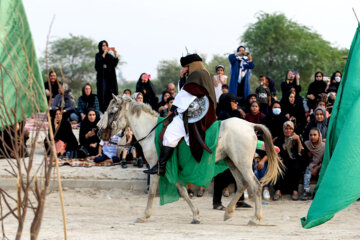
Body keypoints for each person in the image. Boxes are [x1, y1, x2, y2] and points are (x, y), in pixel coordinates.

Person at [144, 53, 217, 176]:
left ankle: (160, 167)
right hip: (200, 110)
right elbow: (186, 90)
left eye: (187, 67)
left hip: (196, 114)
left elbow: (185, 94)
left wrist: (173, 109)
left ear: (191, 65)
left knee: (170, 134)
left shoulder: (197, 74)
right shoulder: (204, 74)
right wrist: (182, 78)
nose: (185, 69)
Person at [213, 93, 252, 209]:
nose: (237, 103)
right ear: (227, 102)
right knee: (222, 176)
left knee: (239, 174)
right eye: (234, 101)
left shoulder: (235, 114)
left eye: (237, 101)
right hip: (224, 150)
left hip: (234, 149)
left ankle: (239, 200)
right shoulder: (223, 115)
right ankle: (216, 203)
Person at [273, 121, 304, 201]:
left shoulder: (296, 137)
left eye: (290, 128)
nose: (288, 130)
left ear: (293, 129)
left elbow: (300, 152)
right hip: (283, 160)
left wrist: (298, 140)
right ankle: (278, 190)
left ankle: (295, 190)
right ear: (283, 129)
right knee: (277, 167)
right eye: (286, 129)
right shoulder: (279, 138)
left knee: (296, 167)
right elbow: (275, 151)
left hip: (294, 160)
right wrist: (278, 158)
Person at [95, 40, 119, 113]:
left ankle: (111, 108)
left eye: (106, 45)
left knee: (111, 92)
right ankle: (102, 110)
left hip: (110, 78)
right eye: (103, 45)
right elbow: (97, 66)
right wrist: (104, 54)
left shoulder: (109, 56)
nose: (104, 47)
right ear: (100, 47)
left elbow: (115, 64)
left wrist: (115, 54)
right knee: (103, 93)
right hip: (102, 78)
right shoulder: (98, 55)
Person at [301, 128, 325, 200]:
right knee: (307, 173)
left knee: (321, 173)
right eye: (311, 135)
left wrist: (317, 168)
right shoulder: (306, 144)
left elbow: (324, 160)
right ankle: (307, 191)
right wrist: (312, 169)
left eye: (315, 135)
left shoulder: (324, 146)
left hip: (320, 166)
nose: (312, 137)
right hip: (310, 165)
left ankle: (318, 191)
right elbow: (305, 159)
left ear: (319, 136)